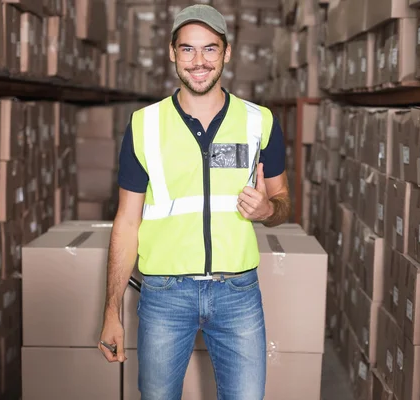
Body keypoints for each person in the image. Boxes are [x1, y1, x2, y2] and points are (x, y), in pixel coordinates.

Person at [98, 4, 291, 399]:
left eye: (210, 49)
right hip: (165, 295)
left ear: (227, 52)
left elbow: (283, 202)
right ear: (172, 52)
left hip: (238, 294)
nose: (199, 61)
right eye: (187, 49)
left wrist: (268, 210)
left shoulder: (261, 121)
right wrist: (111, 311)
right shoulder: (144, 125)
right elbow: (126, 222)